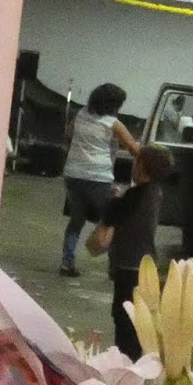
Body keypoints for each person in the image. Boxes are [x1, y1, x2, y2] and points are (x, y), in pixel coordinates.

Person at [59, 82, 138, 277]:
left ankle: (67, 263)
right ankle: (115, 266)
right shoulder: (113, 123)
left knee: (76, 220)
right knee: (111, 220)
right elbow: (133, 148)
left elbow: (68, 133)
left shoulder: (81, 114)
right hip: (98, 178)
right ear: (114, 105)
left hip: (73, 175)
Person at [103, 145, 174, 358]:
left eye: (135, 161)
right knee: (136, 320)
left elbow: (112, 214)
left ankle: (126, 361)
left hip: (128, 265)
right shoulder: (155, 192)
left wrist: (114, 197)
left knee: (124, 317)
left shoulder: (136, 194)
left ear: (141, 167)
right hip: (143, 265)